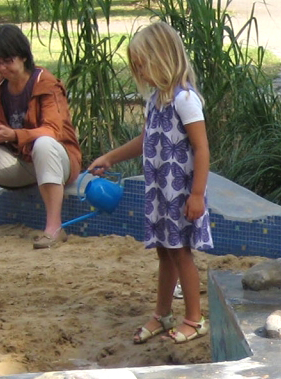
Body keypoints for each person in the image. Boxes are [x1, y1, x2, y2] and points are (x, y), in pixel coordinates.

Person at [88, 21, 212, 345]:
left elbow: (201, 148)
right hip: (160, 190)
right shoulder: (156, 99)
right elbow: (147, 138)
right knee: (164, 251)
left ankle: (195, 319)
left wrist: (197, 194)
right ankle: (162, 313)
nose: (140, 72)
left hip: (181, 191)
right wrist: (111, 157)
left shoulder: (185, 99)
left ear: (162, 58)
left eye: (143, 65)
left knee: (181, 252)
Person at [0, 24, 82, 251]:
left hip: (57, 162)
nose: (2, 68)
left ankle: (54, 228)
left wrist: (14, 134)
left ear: (23, 57)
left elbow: (54, 130)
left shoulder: (46, 83)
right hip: (19, 163)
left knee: (43, 143)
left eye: (7, 61)